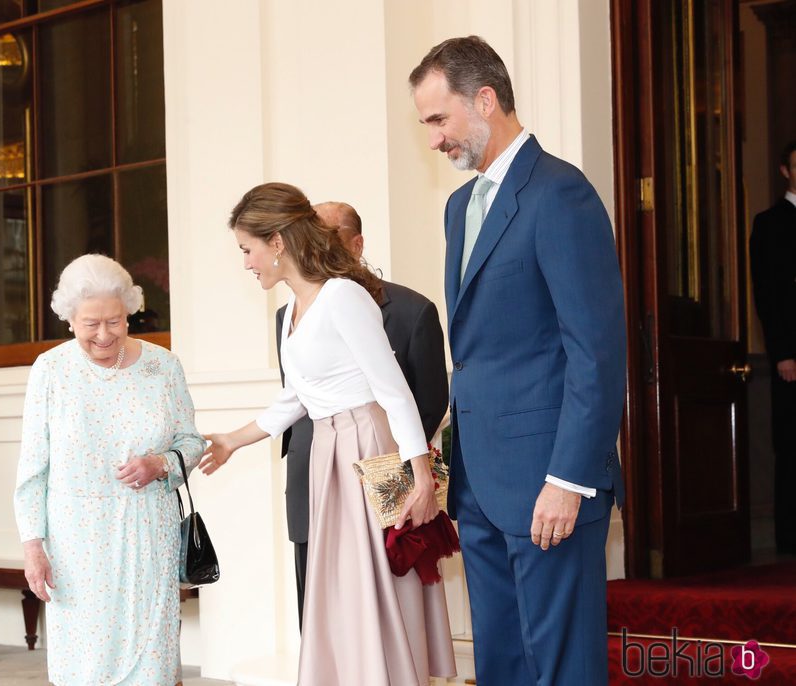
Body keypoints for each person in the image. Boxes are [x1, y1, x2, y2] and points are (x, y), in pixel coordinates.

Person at [410, 36, 627, 685]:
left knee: (561, 667)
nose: (434, 140)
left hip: (548, 484)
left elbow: (595, 351)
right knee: (501, 663)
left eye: (438, 119)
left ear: (485, 99)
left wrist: (570, 478)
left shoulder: (561, 193)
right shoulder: (458, 208)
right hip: (480, 485)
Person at [201, 183, 456, 686]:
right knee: (342, 588)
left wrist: (421, 477)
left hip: (367, 447)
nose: (246, 263)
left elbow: (394, 392)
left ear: (277, 242)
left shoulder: (343, 296)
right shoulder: (291, 312)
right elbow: (296, 399)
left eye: (246, 249)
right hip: (328, 454)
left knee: (377, 584)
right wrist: (234, 439)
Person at [14, 254, 203, 686]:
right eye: (91, 324)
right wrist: (32, 548)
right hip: (76, 541)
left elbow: (192, 443)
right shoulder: (51, 371)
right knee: (84, 664)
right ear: (69, 320)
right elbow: (32, 469)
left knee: (152, 661)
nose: (104, 335)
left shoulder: (163, 366)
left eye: (115, 322)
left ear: (130, 311)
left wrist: (160, 464)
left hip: (148, 534)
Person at [276, 201, 448, 627]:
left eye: (330, 238)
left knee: (387, 618)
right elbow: (296, 394)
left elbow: (426, 402)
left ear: (357, 244)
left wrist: (400, 470)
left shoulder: (412, 311)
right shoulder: (287, 313)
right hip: (311, 477)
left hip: (382, 479)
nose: (318, 248)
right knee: (319, 620)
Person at [750, 140, 796, 556]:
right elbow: (767, 293)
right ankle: (789, 542)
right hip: (791, 358)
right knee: (791, 444)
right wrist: (782, 351)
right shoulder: (769, 223)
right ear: (786, 171)